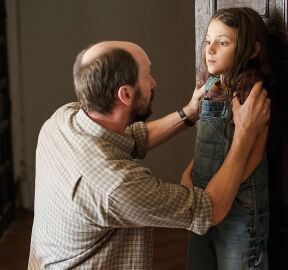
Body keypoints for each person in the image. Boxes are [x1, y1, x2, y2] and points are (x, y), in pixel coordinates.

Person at [28, 40, 270, 269]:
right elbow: (211, 209)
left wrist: (189, 113)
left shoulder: (63, 120)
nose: (153, 82)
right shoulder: (117, 186)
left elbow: (133, 138)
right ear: (125, 94)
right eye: (146, 76)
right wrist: (245, 134)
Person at [182, 7, 271, 270]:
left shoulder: (251, 92)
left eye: (222, 43)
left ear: (252, 51)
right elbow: (205, 144)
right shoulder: (207, 85)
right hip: (203, 197)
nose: (210, 50)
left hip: (238, 204)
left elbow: (254, 155)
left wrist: (219, 192)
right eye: (208, 41)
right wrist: (190, 173)